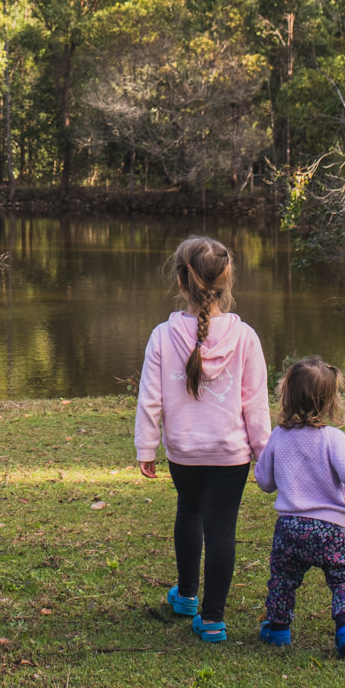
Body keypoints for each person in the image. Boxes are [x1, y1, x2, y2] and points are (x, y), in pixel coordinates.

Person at [133, 235, 271, 643]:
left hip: (184, 452)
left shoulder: (163, 335)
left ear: (181, 281)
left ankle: (188, 596)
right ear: (226, 283)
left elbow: (149, 399)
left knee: (188, 511)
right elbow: (256, 405)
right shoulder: (245, 337)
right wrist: (264, 455)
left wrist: (147, 447)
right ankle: (212, 619)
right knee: (222, 529)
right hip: (232, 454)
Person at [252, 355, 345, 657]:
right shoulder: (333, 439)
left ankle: (278, 628)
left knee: (282, 579)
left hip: (289, 528)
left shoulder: (279, 437)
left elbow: (264, 481)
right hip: (330, 530)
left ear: (286, 396)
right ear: (330, 402)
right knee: (343, 578)